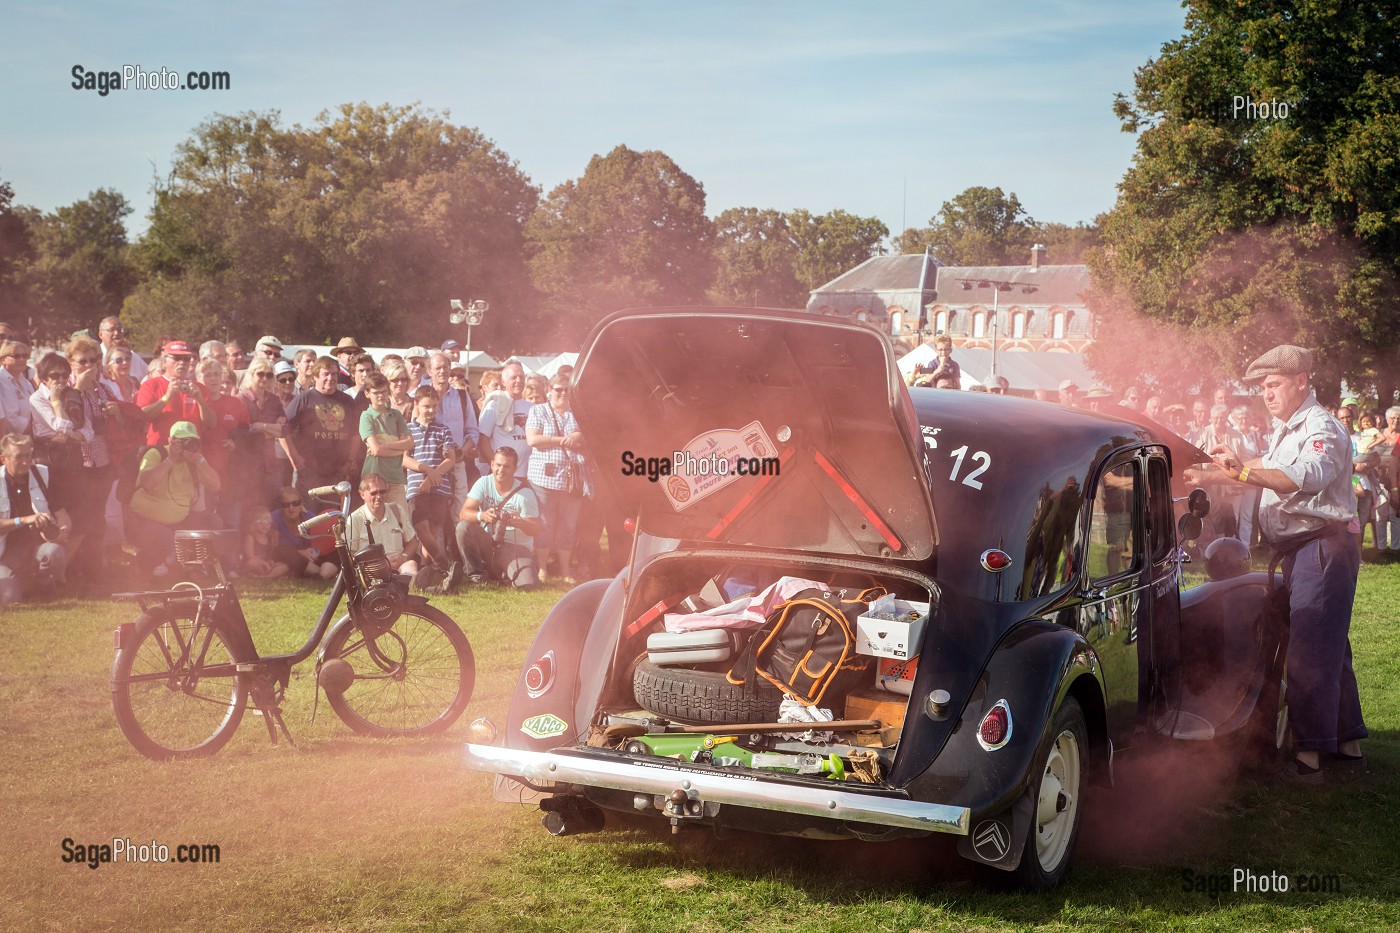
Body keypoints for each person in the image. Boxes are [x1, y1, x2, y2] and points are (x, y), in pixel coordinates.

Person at [1206, 344, 1366, 784]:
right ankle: (1347, 744)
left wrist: (1236, 474)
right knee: (1329, 644)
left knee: (1310, 652)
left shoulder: (1322, 428)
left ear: (1301, 382)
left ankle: (1309, 758)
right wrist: (1215, 471)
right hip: (1307, 550)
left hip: (1320, 548)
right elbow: (1264, 465)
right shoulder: (1288, 427)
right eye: (1262, 387)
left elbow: (1303, 477)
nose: (1266, 394)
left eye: (1273, 385)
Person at [127, 420, 223, 579]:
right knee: (167, 538)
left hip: (178, 521)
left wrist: (199, 459)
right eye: (182, 441)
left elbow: (216, 485)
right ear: (170, 441)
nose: (186, 445)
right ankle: (144, 566)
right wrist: (170, 460)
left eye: (190, 441)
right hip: (142, 521)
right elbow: (148, 483)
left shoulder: (193, 461)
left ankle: (192, 566)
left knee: (212, 521)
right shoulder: (157, 454)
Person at [0, 433, 71, 604]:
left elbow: (62, 516)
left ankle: (43, 586)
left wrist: (62, 532)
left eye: (28, 455)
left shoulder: (43, 474)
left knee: (54, 552)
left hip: (37, 549)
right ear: (3, 459)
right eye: (18, 457)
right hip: (6, 555)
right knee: (9, 600)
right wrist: (24, 520)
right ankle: (20, 584)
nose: (25, 462)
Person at [527, 374, 584, 584]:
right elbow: (533, 439)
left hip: (572, 480)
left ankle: (565, 569)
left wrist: (579, 436)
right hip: (543, 478)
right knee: (545, 524)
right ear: (549, 390)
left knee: (568, 526)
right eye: (558, 389)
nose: (562, 393)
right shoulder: (538, 410)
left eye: (566, 389)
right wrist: (562, 440)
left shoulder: (576, 412)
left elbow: (586, 435)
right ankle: (541, 568)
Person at [456, 447, 540, 588]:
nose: (501, 470)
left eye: (507, 466)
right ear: (492, 464)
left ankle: (503, 573)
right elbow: (463, 513)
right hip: (491, 545)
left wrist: (520, 522)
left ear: (515, 468)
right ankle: (477, 577)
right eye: (499, 465)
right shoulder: (483, 482)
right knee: (463, 527)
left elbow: (537, 529)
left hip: (516, 549)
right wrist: (482, 515)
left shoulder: (525, 493)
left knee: (527, 585)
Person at [403, 385, 459, 585]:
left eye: (435, 406)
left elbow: (450, 459)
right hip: (416, 487)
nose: (431, 410)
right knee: (421, 528)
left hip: (439, 487)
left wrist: (434, 475)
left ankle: (427, 573)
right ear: (416, 404)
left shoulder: (443, 430)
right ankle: (444, 566)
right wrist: (427, 471)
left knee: (434, 530)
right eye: (427, 406)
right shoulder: (407, 429)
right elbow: (404, 459)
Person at [283, 357, 359, 498]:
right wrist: (294, 458)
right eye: (326, 374)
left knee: (335, 516)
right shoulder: (304, 399)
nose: (330, 378)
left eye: (334, 374)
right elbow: (282, 430)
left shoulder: (348, 402)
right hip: (308, 471)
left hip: (338, 472)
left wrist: (349, 462)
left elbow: (355, 434)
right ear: (316, 376)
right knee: (309, 516)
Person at [427, 351, 480, 520]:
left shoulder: (463, 397)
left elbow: (473, 431)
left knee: (460, 513)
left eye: (445, 367)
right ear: (429, 371)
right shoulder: (420, 397)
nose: (442, 371)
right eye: (438, 368)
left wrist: (463, 452)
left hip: (457, 464)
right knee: (433, 514)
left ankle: (457, 547)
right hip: (431, 465)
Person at [135, 340, 213, 446]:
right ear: (164, 362)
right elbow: (142, 417)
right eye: (176, 358)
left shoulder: (198, 388)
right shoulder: (151, 384)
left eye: (186, 359)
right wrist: (166, 398)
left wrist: (200, 400)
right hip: (161, 449)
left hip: (191, 451)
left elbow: (211, 424)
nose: (182, 362)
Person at [345, 474, 420, 576]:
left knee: (411, 565)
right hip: (371, 571)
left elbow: (413, 542)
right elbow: (350, 554)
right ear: (362, 495)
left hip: (399, 567)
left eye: (382, 491)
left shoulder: (397, 511)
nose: (379, 496)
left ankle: (410, 584)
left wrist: (404, 557)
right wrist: (378, 564)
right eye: (374, 493)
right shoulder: (355, 519)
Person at [477, 360, 533, 481]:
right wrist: (496, 467)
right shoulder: (494, 404)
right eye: (513, 377)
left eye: (521, 377)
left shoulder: (531, 407)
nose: (518, 380)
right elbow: (483, 439)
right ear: (503, 382)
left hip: (527, 475)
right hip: (502, 476)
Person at [270, 487, 338, 579]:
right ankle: (322, 575)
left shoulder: (310, 518)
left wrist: (314, 552)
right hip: (290, 558)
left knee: (337, 548)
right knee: (284, 550)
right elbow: (274, 548)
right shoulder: (275, 517)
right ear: (281, 506)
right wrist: (301, 552)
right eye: (286, 505)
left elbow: (321, 542)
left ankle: (319, 575)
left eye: (295, 503)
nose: (291, 508)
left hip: (310, 560)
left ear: (301, 504)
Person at [241, 506, 290, 578]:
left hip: (265, 565)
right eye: (261, 522)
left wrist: (270, 561)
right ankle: (271, 575)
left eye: (268, 522)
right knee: (252, 563)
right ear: (253, 523)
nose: (265, 525)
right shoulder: (250, 537)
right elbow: (250, 556)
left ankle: (264, 577)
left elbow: (269, 555)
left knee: (285, 566)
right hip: (254, 564)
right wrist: (264, 563)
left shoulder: (269, 538)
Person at [0, 339, 35, 436]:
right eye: (16, 356)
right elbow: (11, 418)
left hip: (28, 436)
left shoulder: (25, 382)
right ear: (3, 359)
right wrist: (32, 428)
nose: (22, 359)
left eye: (25, 356)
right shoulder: (1, 381)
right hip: (11, 440)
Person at [98, 317, 148, 381]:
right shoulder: (95, 356)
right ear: (100, 334)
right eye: (111, 330)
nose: (116, 333)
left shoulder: (133, 357)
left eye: (119, 330)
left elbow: (149, 375)